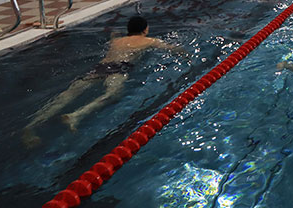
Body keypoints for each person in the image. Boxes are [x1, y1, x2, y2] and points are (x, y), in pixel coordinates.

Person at [22, 16, 186, 146]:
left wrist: (114, 34)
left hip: (101, 67)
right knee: (112, 95)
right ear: (145, 29)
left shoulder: (116, 41)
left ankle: (31, 126)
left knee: (67, 95)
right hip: (120, 68)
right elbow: (172, 48)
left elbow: (112, 38)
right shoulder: (149, 40)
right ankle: (76, 115)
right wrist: (185, 54)